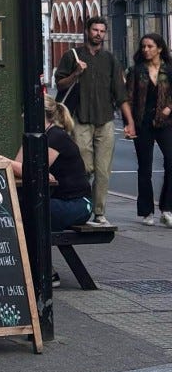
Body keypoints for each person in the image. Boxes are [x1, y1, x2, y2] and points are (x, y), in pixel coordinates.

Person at [54, 17, 134, 226]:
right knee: (85, 167)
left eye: (102, 31)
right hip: (81, 119)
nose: (98, 34)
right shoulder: (72, 56)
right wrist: (76, 73)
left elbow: (120, 93)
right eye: (95, 30)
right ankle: (82, 206)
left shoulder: (110, 60)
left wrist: (129, 121)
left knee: (103, 170)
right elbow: (60, 85)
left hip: (105, 119)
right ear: (87, 31)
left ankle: (99, 212)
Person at [0, 94, 92, 232]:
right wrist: (37, 171)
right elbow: (19, 169)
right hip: (55, 200)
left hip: (77, 204)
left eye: (27, 111)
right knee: (12, 208)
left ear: (39, 114)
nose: (23, 116)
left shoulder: (56, 136)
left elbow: (31, 171)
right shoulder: (33, 136)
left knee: (31, 212)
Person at [126, 34, 172, 227]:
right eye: (143, 46)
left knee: (171, 161)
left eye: (150, 46)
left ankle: (167, 208)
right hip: (142, 123)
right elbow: (129, 98)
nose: (146, 50)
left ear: (159, 48)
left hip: (165, 122)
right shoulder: (136, 71)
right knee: (145, 167)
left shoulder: (169, 69)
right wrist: (129, 123)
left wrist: (169, 107)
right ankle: (147, 211)